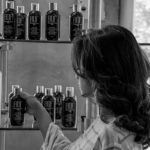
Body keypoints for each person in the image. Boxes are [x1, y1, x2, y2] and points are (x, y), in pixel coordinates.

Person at [19, 25, 150, 150]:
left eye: (79, 69)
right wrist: (39, 111)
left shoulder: (114, 137)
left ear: (100, 74)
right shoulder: (106, 122)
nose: (76, 76)